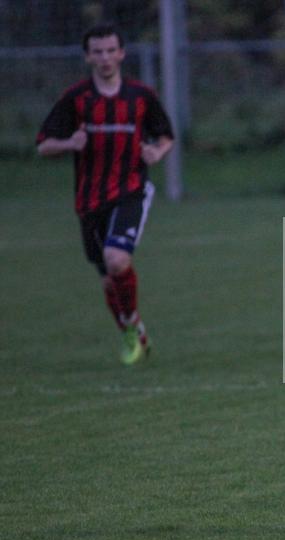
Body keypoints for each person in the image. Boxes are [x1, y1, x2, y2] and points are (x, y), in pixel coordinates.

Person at [36, 24, 174, 365]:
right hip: (89, 200)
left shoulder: (141, 96)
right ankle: (134, 327)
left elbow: (165, 136)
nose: (105, 57)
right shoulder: (77, 98)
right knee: (109, 282)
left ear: (122, 53)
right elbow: (43, 145)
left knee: (117, 259)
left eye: (111, 50)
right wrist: (70, 143)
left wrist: (157, 152)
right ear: (88, 57)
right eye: (97, 51)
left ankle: (130, 329)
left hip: (130, 191)